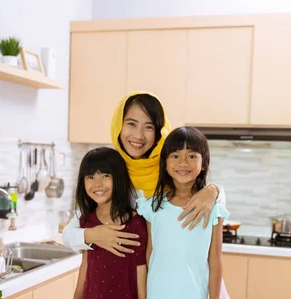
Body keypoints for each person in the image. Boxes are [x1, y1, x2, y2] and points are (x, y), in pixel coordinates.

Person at [62, 91, 226, 257]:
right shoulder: (111, 170)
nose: (139, 135)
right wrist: (91, 235)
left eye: (149, 127)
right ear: (119, 125)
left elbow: (205, 201)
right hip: (126, 273)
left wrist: (214, 190)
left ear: (159, 132)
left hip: (166, 272)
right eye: (131, 124)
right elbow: (69, 233)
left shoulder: (172, 166)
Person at [136, 127, 236, 299]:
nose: (183, 163)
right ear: (165, 162)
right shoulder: (152, 206)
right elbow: (150, 255)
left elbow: (215, 261)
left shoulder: (212, 208)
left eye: (191, 156)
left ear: (203, 163)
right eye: (175, 156)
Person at [71, 147, 148, 299]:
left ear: (119, 178)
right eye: (90, 177)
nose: (97, 183)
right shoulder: (86, 221)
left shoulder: (135, 222)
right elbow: (85, 263)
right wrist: (77, 298)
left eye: (105, 175)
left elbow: (141, 268)